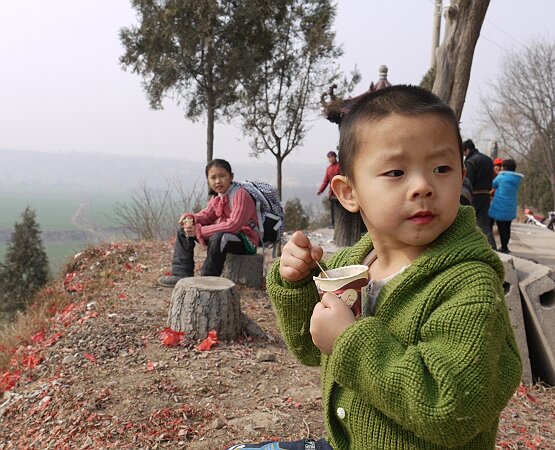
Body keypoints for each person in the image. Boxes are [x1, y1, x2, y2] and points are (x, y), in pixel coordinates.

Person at [229, 85, 521, 450]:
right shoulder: (353, 264)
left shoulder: (468, 285)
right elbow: (311, 348)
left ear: (461, 176)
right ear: (349, 193)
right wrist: (298, 284)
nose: (423, 186)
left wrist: (350, 341)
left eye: (442, 168)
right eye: (396, 172)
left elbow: (451, 407)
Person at [157, 159, 260, 287]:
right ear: (208, 180)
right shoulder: (218, 197)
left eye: (222, 176)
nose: (218, 181)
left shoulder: (240, 195)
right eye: (213, 177)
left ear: (231, 176)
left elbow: (233, 225)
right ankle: (181, 274)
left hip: (246, 241)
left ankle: (208, 279)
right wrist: (191, 219)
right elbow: (206, 216)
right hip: (226, 237)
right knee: (184, 230)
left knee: (220, 236)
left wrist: (200, 231)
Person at [463, 139, 496, 249]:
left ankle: (470, 249)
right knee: (485, 225)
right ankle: (492, 249)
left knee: (467, 224)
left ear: (467, 149)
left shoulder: (470, 161)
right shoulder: (487, 159)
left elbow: (468, 181)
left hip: (474, 196)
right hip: (486, 195)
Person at [488, 159, 523, 254]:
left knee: (501, 227)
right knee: (507, 227)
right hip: (511, 207)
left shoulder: (501, 177)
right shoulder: (516, 179)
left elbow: (492, 184)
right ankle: (505, 246)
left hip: (500, 206)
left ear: (505, 167)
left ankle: (503, 247)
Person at [317, 151, 341, 228]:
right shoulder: (328, 169)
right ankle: (333, 224)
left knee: (340, 210)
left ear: (335, 157)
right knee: (333, 210)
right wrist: (320, 190)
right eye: (329, 158)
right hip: (332, 193)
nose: (331, 159)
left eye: (332, 157)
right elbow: (326, 181)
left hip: (340, 192)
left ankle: (339, 224)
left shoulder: (339, 166)